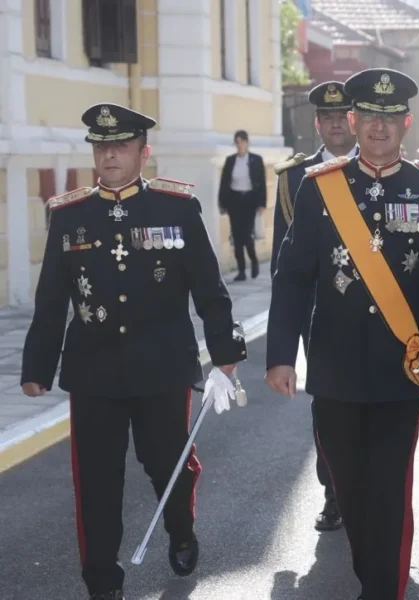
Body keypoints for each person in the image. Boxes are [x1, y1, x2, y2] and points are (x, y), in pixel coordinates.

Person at [21, 103, 247, 600]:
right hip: (94, 373)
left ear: (144, 153)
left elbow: (208, 288)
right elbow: (52, 298)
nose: (108, 155)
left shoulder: (176, 209)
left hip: (161, 368)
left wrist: (226, 350)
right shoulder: (69, 215)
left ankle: (180, 526)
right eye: (101, 147)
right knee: (97, 484)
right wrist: (37, 365)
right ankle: (103, 582)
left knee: (168, 463)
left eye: (119, 147)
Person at [265, 68, 419, 598]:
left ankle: (382, 590)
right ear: (352, 121)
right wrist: (281, 355)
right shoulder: (319, 188)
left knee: (389, 491)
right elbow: (291, 278)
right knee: (351, 491)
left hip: (402, 371)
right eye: (369, 117)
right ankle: (372, 576)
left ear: (406, 122)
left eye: (389, 117)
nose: (379, 127)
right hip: (334, 370)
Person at [270, 80, 359, 532]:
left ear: (356, 119)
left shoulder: (382, 170)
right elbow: (282, 266)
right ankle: (334, 491)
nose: (335, 124)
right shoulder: (294, 178)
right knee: (326, 405)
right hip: (319, 316)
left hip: (375, 313)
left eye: (343, 116)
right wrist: (283, 340)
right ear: (316, 123)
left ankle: (370, 488)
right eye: (326, 118)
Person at [218, 130, 266, 282]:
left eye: (242, 142)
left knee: (246, 235)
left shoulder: (256, 160)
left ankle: (254, 260)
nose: (239, 145)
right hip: (234, 200)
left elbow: (262, 183)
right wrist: (222, 202)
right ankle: (241, 271)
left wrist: (262, 203)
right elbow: (224, 182)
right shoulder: (230, 160)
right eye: (237, 142)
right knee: (237, 237)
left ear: (247, 143)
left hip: (249, 200)